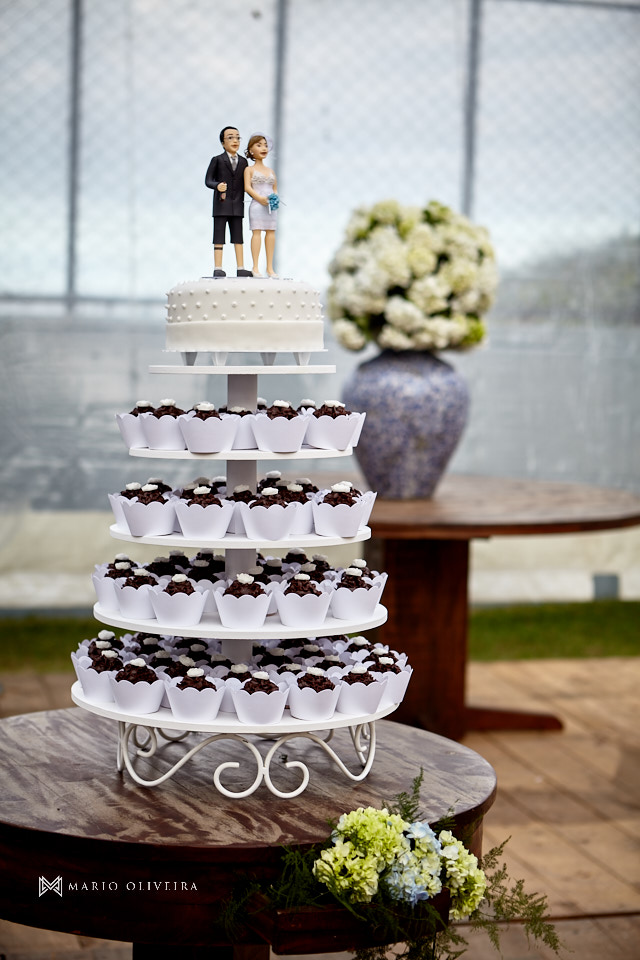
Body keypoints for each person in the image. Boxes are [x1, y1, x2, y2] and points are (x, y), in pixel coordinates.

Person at [205, 126, 252, 278]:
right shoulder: (217, 160)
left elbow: (247, 182)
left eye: (238, 137)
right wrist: (217, 185)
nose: (235, 141)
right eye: (230, 137)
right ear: (223, 142)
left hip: (237, 205)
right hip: (221, 204)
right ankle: (218, 267)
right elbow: (208, 180)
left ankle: (241, 267)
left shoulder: (244, 162)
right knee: (219, 236)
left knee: (238, 237)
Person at [243, 133, 279, 278]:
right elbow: (247, 187)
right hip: (257, 206)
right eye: (259, 145)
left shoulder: (270, 171)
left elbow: (274, 187)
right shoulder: (249, 170)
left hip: (271, 207)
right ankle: (255, 267)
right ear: (251, 150)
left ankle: (270, 268)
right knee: (256, 232)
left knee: (271, 233)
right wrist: (259, 198)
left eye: (265, 145)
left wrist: (274, 197)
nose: (263, 148)